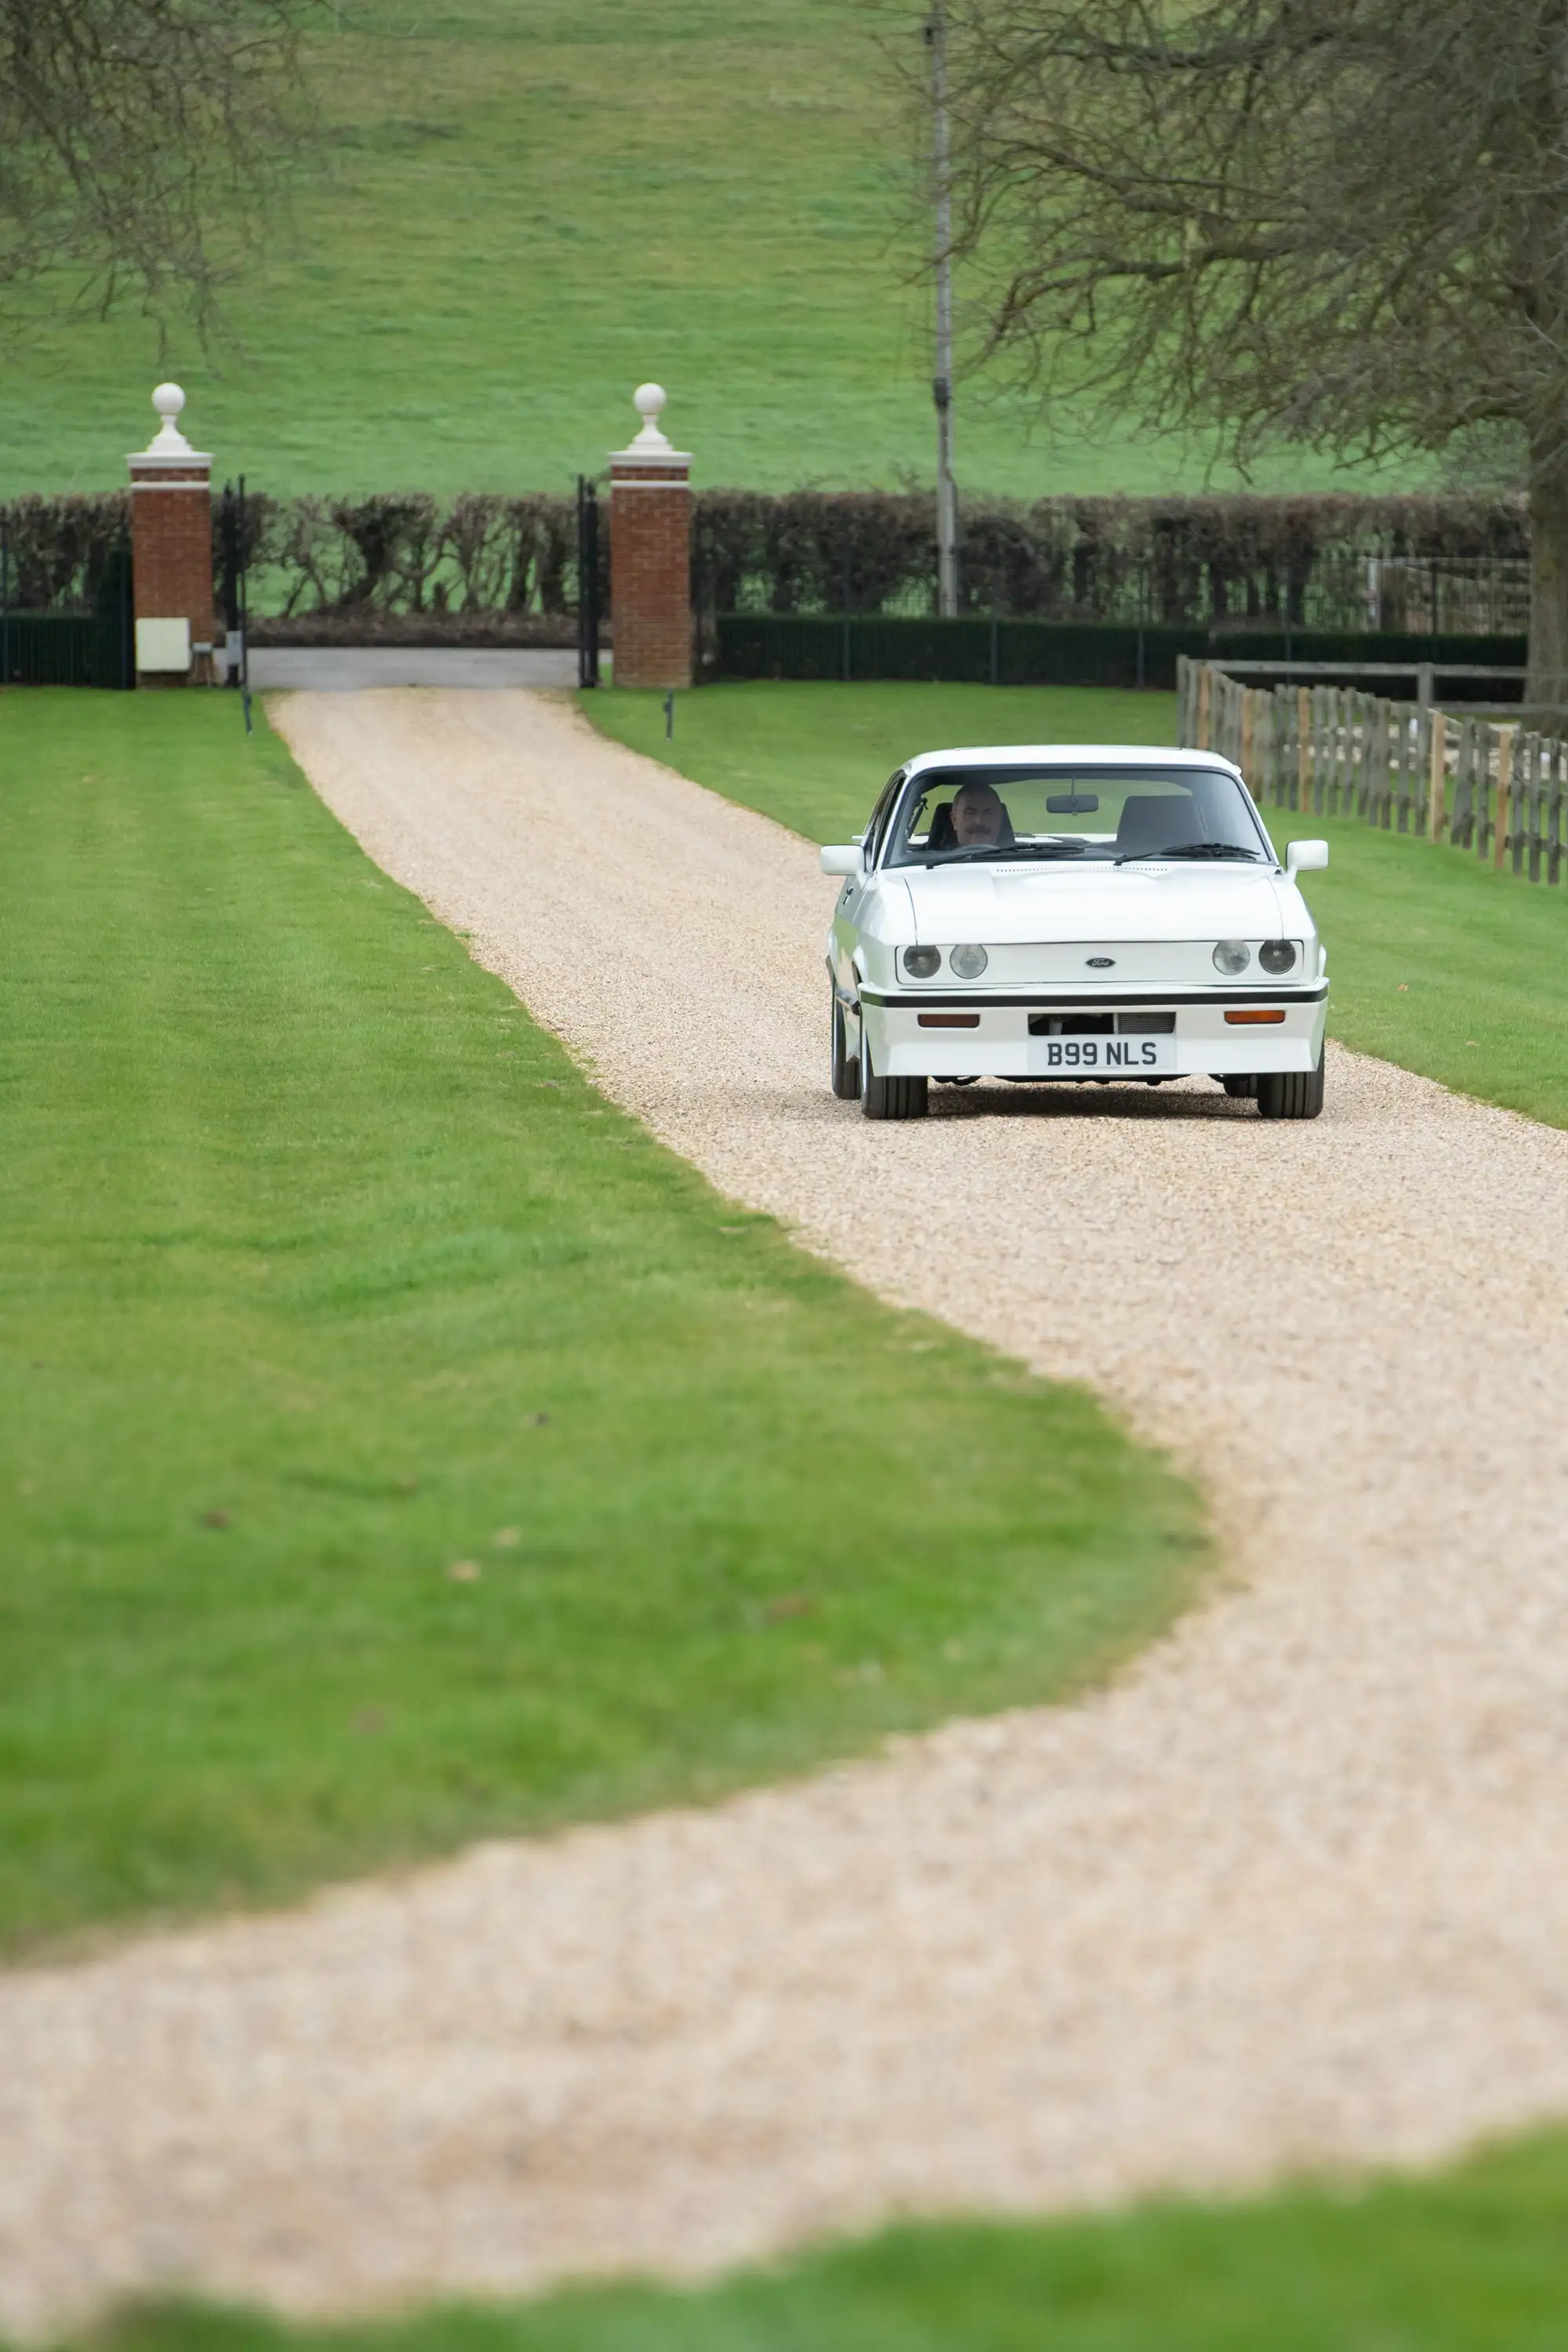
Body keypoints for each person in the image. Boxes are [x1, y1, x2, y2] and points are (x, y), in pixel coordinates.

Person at [949, 779, 1008, 848]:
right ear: (954, 820)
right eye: (970, 813)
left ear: (1000, 818)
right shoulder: (939, 855)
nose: (980, 822)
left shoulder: (1018, 854)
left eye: (989, 813)